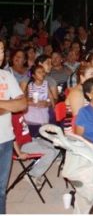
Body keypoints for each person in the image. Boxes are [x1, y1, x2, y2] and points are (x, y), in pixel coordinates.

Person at [0, 40, 27, 214]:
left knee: (1, 190)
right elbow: (15, 104)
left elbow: (23, 103)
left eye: (1, 50)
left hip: (6, 141)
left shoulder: (6, 75)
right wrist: (10, 103)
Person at [11, 112, 59, 188]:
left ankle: (38, 167)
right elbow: (11, 139)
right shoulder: (10, 117)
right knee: (50, 153)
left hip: (29, 140)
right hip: (21, 146)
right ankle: (32, 175)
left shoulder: (19, 112)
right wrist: (19, 153)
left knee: (57, 147)